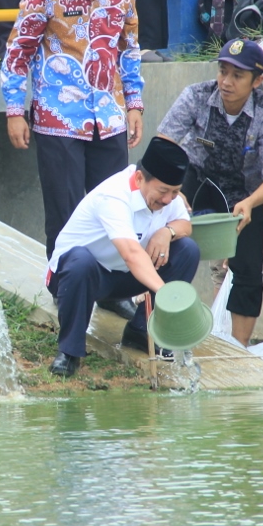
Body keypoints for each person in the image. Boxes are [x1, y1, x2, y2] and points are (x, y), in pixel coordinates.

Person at [2, 0, 143, 270]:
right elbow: (17, 53)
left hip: (110, 118)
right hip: (59, 119)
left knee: (113, 210)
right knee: (64, 212)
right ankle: (63, 284)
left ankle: (112, 291)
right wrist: (15, 110)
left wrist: (135, 104)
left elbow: (129, 50)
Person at [157, 39, 263, 347]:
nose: (226, 82)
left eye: (237, 76)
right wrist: (173, 192)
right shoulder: (196, 96)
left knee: (248, 268)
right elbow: (163, 144)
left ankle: (238, 346)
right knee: (161, 237)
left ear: (257, 81)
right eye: (222, 71)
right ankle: (154, 325)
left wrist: (252, 202)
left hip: (245, 192)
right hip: (195, 178)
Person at [46, 137, 200, 376]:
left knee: (187, 250)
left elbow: (185, 225)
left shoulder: (166, 196)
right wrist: (170, 296)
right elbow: (130, 253)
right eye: (163, 192)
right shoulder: (114, 195)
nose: (168, 200)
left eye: (175, 192)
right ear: (139, 178)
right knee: (80, 261)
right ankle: (69, 352)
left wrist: (166, 232)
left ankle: (142, 330)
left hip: (123, 277)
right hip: (80, 277)